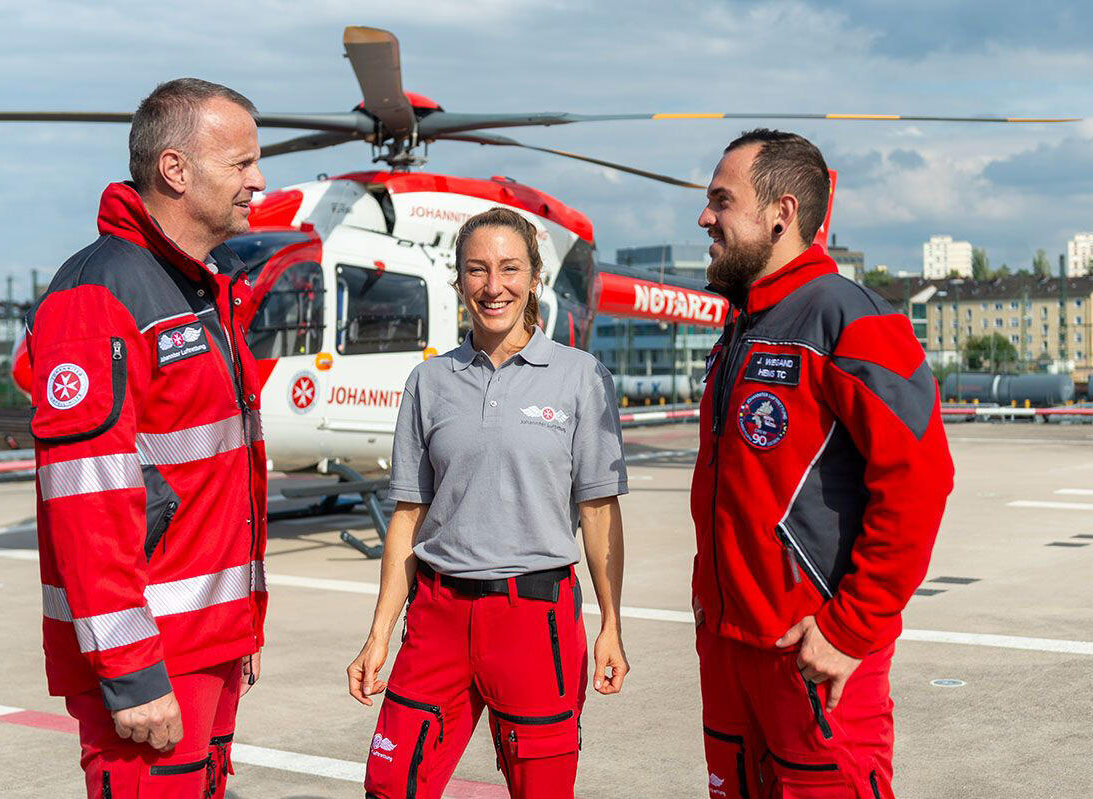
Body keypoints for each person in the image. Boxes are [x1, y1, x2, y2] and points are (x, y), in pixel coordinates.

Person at [690, 129, 954, 798]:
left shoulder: (849, 319)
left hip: (813, 655)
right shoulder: (742, 327)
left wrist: (852, 627)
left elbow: (921, 480)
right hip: (730, 651)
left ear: (781, 213)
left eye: (722, 200)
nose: (704, 218)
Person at [28, 78, 269, 798]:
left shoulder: (200, 287)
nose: (258, 182)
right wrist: (131, 672)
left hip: (209, 643)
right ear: (175, 169)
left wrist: (239, 629)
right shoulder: (98, 294)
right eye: (241, 163)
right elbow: (87, 503)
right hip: (152, 658)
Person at [347, 207, 629, 799]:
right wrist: (378, 633)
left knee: (542, 789)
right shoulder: (428, 381)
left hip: (534, 619)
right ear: (458, 280)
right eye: (477, 269)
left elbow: (599, 511)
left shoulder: (580, 376)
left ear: (534, 278)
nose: (493, 285)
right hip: (437, 616)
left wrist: (611, 626)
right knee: (391, 783)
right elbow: (409, 515)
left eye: (509, 268)